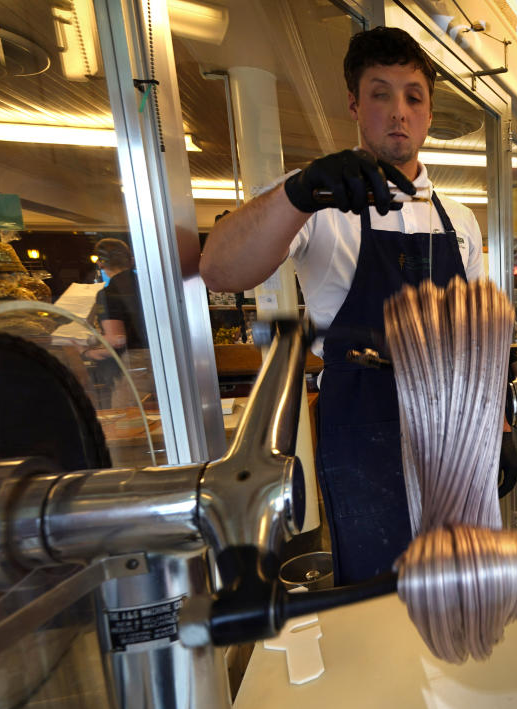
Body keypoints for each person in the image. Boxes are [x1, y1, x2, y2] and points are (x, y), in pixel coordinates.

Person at [199, 27, 484, 584]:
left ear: (427, 114)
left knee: (458, 576)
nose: (398, 112)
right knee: (379, 585)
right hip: (363, 418)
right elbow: (219, 269)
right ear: (355, 104)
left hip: (451, 422)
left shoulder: (462, 220)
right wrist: (299, 193)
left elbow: (473, 337)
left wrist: (492, 430)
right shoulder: (318, 200)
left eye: (412, 96)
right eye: (380, 93)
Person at [87, 238, 153, 408]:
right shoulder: (148, 286)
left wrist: (87, 348)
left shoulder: (110, 293)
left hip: (137, 363)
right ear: (130, 260)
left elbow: (117, 339)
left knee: (126, 419)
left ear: (101, 263)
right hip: (164, 356)